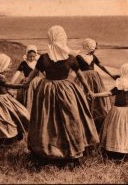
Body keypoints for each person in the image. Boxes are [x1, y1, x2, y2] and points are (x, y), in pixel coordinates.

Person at [24, 25, 99, 164]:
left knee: (49, 119)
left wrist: (89, 90)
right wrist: (26, 82)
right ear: (63, 38)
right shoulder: (66, 58)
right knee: (69, 119)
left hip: (47, 90)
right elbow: (80, 76)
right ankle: (61, 152)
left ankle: (59, 151)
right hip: (65, 90)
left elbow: (80, 76)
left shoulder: (48, 58)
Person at [91, 63, 128, 160]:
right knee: (126, 130)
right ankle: (125, 150)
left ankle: (114, 150)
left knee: (116, 129)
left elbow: (109, 93)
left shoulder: (120, 85)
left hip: (117, 111)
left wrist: (95, 95)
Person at [75, 38, 118, 132]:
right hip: (83, 78)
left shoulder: (93, 56)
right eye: (94, 47)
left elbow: (102, 66)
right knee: (83, 97)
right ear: (89, 47)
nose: (95, 49)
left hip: (94, 79)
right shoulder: (78, 57)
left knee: (97, 99)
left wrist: (111, 75)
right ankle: (85, 120)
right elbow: (74, 69)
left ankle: (95, 120)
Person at [10, 45, 43, 113]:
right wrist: (11, 83)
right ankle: (27, 111)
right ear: (27, 55)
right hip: (27, 82)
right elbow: (17, 73)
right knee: (27, 97)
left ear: (36, 55)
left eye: (33, 56)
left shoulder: (38, 63)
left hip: (36, 83)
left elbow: (44, 72)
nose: (31, 58)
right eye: (30, 56)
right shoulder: (24, 63)